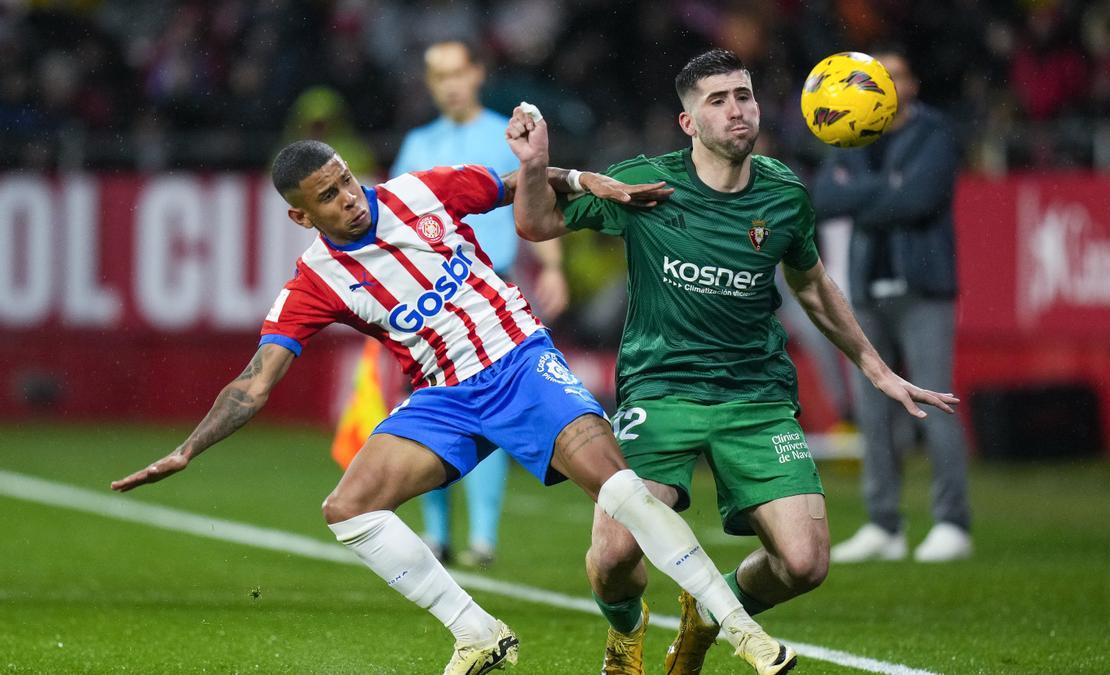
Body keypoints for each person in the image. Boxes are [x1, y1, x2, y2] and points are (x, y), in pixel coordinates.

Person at [111, 113, 800, 675]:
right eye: (329, 195)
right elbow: (254, 382)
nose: (349, 196)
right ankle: (477, 632)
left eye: (346, 180)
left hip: (519, 362)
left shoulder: (418, 193)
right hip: (445, 397)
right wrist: (188, 449)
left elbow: (521, 182)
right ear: (301, 215)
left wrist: (581, 178)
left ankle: (742, 631)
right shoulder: (316, 281)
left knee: (621, 491)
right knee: (348, 506)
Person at [515, 49, 960, 674]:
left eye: (744, 96)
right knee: (614, 555)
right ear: (688, 122)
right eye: (718, 100)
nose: (736, 111)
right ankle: (624, 632)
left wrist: (876, 367)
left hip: (756, 397)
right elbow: (537, 224)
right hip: (661, 390)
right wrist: (536, 166)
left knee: (804, 564)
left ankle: (706, 611)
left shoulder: (784, 195)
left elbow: (811, 284)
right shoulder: (646, 184)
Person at [390, 40, 569, 569]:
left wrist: (554, 266)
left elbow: (537, 197)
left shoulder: (503, 135)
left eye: (457, 72)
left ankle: (483, 537)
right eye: (438, 75)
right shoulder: (417, 143)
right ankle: (438, 534)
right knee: (430, 411)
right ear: (430, 84)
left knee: (489, 414)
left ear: (477, 74)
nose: (449, 84)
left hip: (489, 291)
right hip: (429, 300)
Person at [812, 48, 973, 563]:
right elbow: (823, 199)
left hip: (923, 286)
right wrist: (886, 190)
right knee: (872, 411)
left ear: (914, 84)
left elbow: (920, 199)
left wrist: (863, 196)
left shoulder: (934, 132)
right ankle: (884, 523)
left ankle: (952, 522)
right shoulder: (854, 132)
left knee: (935, 403)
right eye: (880, 77)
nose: (887, 85)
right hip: (865, 287)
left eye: (896, 76)